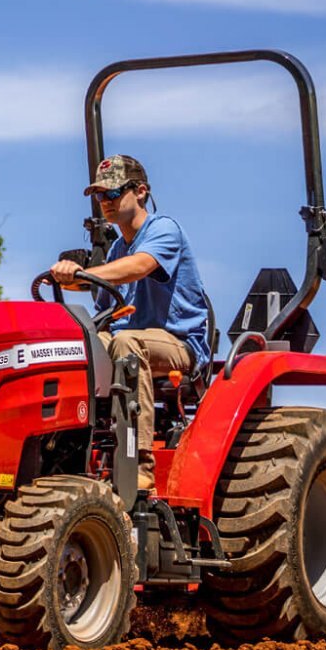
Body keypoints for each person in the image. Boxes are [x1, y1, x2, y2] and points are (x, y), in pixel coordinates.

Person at [50, 154, 211, 492]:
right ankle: (60, 455)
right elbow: (106, 315)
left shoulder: (164, 229)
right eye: (100, 195)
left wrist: (84, 274)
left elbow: (139, 266)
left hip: (177, 343)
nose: (105, 201)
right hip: (130, 340)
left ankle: (138, 465)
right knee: (80, 347)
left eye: (113, 192)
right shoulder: (116, 251)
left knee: (126, 344)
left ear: (140, 191)